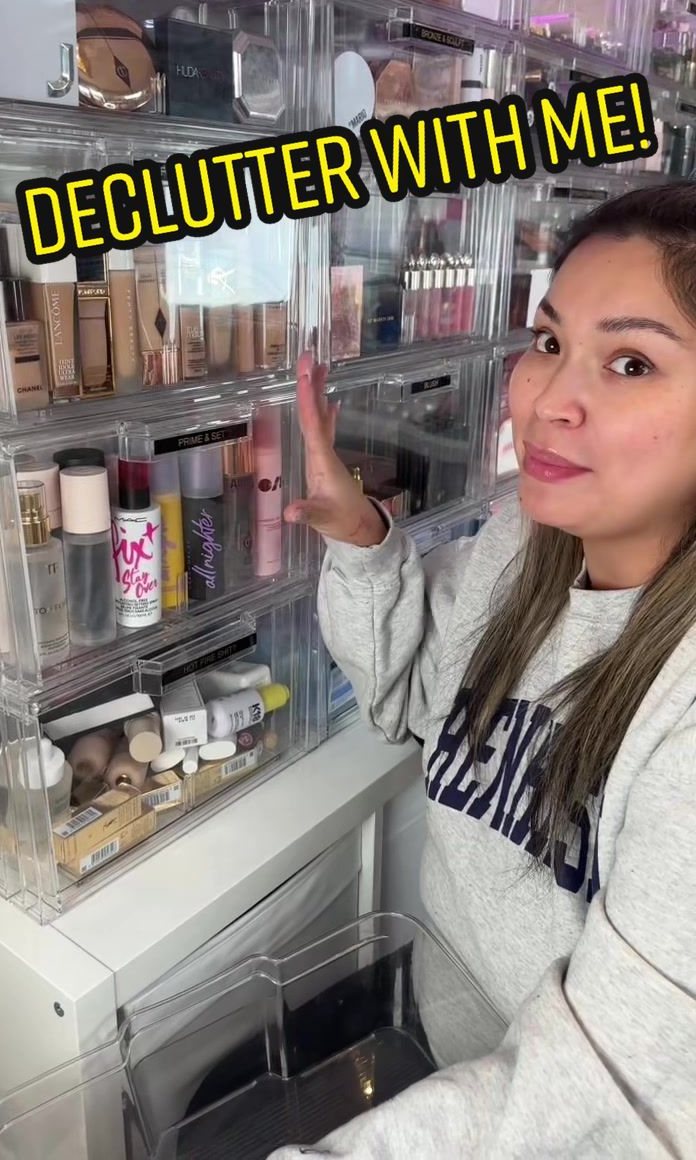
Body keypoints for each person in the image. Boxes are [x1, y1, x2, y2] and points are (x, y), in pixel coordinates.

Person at [271, 181, 696, 1158]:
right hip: (442, 1044)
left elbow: (603, 1080)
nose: (549, 401)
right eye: (549, 341)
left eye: (631, 362)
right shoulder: (521, 545)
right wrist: (364, 543)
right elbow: (409, 701)